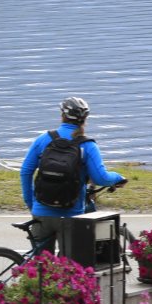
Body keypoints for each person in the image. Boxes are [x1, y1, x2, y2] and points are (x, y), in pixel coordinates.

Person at [19, 95, 127, 254]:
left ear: (62, 115)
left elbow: (25, 171)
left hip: (41, 211)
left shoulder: (43, 140)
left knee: (41, 264)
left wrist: (31, 203)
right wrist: (118, 178)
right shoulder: (87, 145)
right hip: (71, 215)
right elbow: (101, 178)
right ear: (85, 120)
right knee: (70, 265)